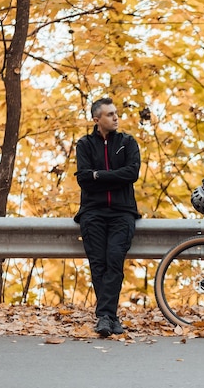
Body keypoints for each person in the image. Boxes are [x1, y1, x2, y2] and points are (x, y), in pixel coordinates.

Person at [74, 97, 141, 337]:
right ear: (96, 119)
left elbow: (132, 173)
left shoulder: (128, 142)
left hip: (122, 213)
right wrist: (111, 176)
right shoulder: (84, 145)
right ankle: (109, 317)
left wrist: (98, 176)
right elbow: (82, 178)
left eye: (116, 114)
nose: (115, 118)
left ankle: (105, 316)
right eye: (110, 114)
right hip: (92, 213)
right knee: (98, 264)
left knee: (114, 259)